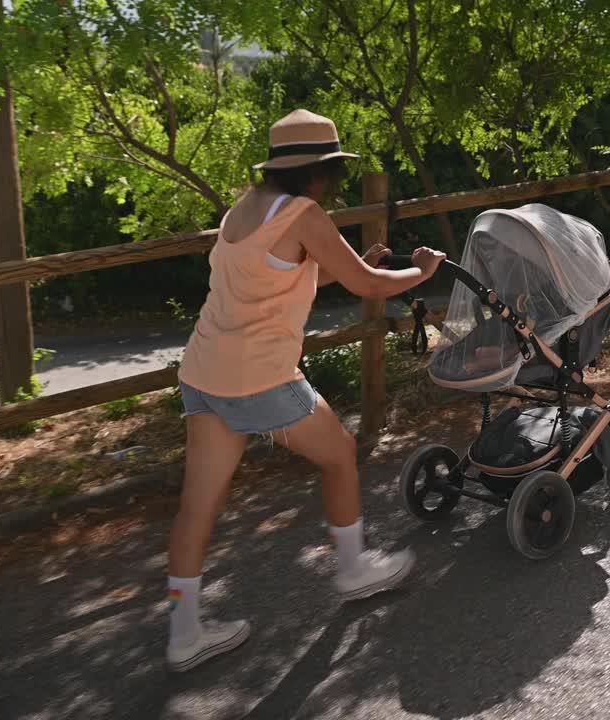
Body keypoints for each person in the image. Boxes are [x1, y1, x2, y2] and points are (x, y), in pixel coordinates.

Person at [165, 109, 445, 673]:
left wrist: (348, 265)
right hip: (259, 377)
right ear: (318, 171)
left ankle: (184, 633)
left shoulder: (241, 209)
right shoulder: (305, 213)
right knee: (340, 455)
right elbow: (369, 285)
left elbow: (282, 275)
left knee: (198, 505)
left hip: (203, 374)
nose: (332, 183)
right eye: (332, 171)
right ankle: (353, 568)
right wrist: (421, 273)